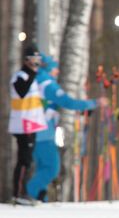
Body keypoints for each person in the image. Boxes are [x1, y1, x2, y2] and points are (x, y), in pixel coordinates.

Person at [26, 55, 105, 202]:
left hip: (34, 130)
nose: (57, 71)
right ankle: (30, 192)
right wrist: (94, 103)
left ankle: (39, 197)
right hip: (43, 132)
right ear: (49, 68)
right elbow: (67, 102)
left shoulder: (36, 81)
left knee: (42, 168)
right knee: (52, 168)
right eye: (55, 68)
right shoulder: (47, 84)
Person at [9, 44, 48, 204]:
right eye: (33, 60)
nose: (36, 63)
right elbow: (21, 91)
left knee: (27, 160)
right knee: (24, 159)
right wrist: (32, 73)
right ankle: (18, 194)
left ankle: (23, 193)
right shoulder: (21, 76)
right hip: (23, 124)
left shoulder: (32, 77)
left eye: (38, 60)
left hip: (31, 123)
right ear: (26, 60)